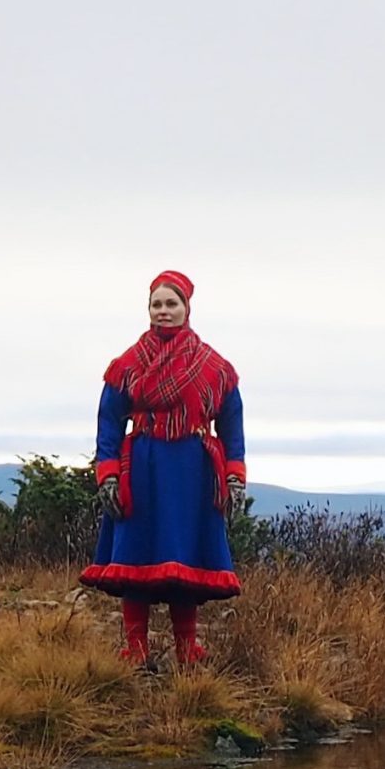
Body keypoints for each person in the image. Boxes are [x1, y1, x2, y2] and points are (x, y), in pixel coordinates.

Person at [80, 270, 246, 664]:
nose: (163, 311)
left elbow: (231, 425)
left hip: (193, 471)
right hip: (141, 467)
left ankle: (187, 647)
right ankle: (136, 648)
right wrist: (108, 475)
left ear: (187, 307)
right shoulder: (126, 365)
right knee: (137, 555)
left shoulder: (216, 368)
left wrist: (234, 477)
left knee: (183, 556)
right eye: (156, 304)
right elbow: (108, 422)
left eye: (171, 304)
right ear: (148, 309)